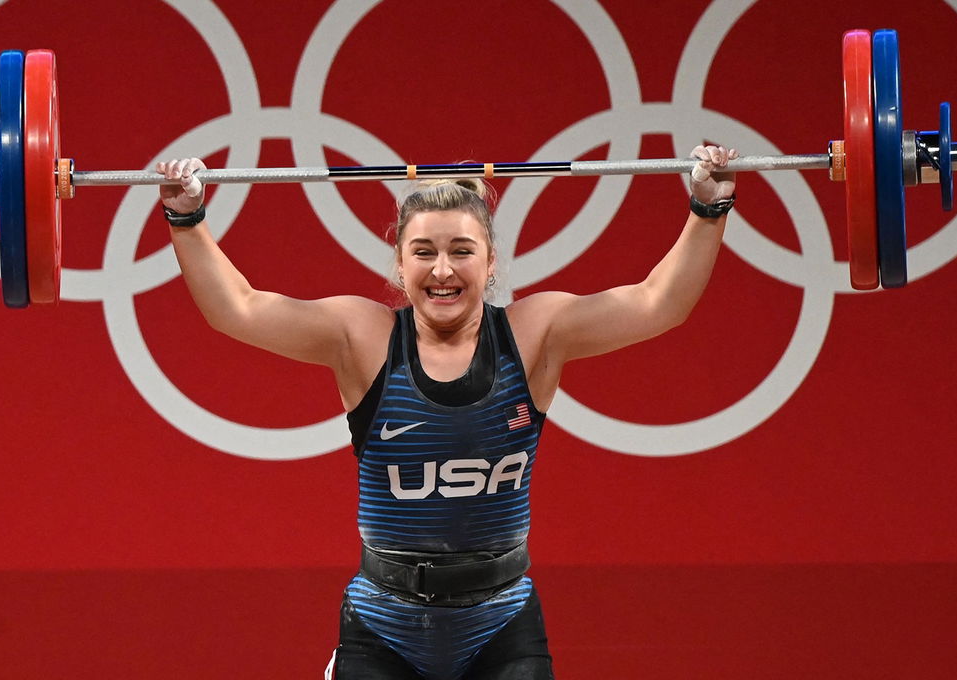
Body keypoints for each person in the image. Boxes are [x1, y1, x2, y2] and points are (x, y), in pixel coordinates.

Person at [156, 145, 738, 680]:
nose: (442, 270)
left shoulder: (535, 334)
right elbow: (239, 308)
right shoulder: (361, 338)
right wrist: (187, 218)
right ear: (399, 265)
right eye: (424, 252)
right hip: (383, 625)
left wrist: (708, 209)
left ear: (489, 265)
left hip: (501, 622)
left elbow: (659, 302)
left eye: (462, 252)